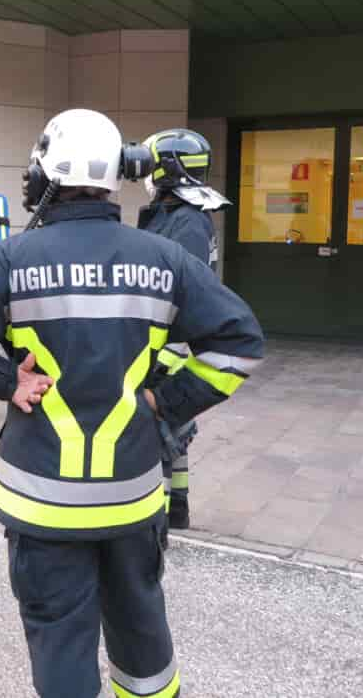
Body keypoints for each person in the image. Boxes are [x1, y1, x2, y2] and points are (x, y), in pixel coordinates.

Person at [0, 109, 264, 698]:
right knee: (141, 627)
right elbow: (240, 344)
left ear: (47, 169)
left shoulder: (11, 259)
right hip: (132, 494)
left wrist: (7, 382)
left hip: (42, 501)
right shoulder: (162, 257)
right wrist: (164, 402)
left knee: (60, 637)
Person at [136, 128, 233, 533]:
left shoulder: (187, 221)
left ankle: (154, 522)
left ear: (167, 169)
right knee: (173, 430)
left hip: (166, 343)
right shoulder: (178, 215)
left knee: (153, 432)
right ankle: (177, 505)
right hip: (165, 339)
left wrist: (158, 351)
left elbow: (179, 290)